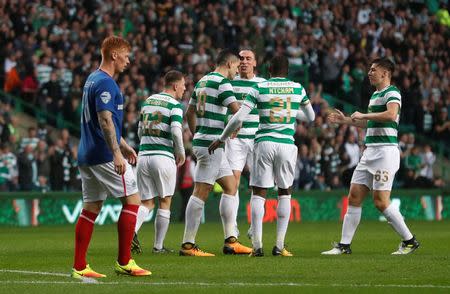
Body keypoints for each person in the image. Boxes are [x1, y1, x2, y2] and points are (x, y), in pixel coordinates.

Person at [209, 55, 315, 257]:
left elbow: (239, 116)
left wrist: (222, 137)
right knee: (285, 192)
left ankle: (257, 246)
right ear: (287, 71)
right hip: (286, 143)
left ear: (268, 69)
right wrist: (290, 112)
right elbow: (311, 117)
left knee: (259, 193)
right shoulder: (297, 88)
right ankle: (279, 245)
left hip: (264, 142)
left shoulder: (260, 87)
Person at [322, 57, 420, 255]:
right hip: (370, 152)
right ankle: (344, 245)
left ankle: (409, 241)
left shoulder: (392, 92)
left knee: (380, 201)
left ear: (385, 73)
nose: (369, 72)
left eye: (374, 69)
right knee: (354, 196)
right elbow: (369, 123)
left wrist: (364, 115)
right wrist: (346, 121)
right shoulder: (375, 95)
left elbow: (391, 115)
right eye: (370, 69)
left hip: (385, 152)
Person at [72, 36, 151, 280]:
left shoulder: (92, 79)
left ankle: (79, 266)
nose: (129, 60)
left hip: (87, 153)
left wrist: (124, 145)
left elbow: (105, 123)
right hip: (104, 154)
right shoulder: (106, 83)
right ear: (114, 55)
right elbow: (105, 120)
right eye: (126, 55)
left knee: (91, 207)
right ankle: (125, 262)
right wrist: (117, 154)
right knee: (133, 201)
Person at [180, 49, 252, 256]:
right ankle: (188, 245)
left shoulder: (202, 81)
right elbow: (238, 113)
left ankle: (231, 241)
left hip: (206, 142)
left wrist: (196, 134)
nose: (237, 72)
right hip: (212, 145)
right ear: (229, 64)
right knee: (201, 191)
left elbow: (190, 112)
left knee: (231, 187)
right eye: (237, 67)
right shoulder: (222, 83)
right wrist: (231, 130)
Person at [131, 70, 186, 254]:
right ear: (175, 85)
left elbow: (139, 131)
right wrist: (180, 152)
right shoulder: (175, 105)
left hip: (143, 156)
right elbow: (177, 132)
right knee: (165, 201)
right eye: (183, 85)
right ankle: (158, 246)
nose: (185, 89)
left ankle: (130, 232)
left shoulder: (148, 101)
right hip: (163, 157)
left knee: (146, 203)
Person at [227, 49, 266, 239]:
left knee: (258, 183)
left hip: (257, 137)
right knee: (232, 182)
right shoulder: (229, 83)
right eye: (241, 58)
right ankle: (232, 228)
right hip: (235, 138)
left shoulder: (263, 84)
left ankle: (254, 227)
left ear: (255, 63)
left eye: (248, 58)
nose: (243, 62)